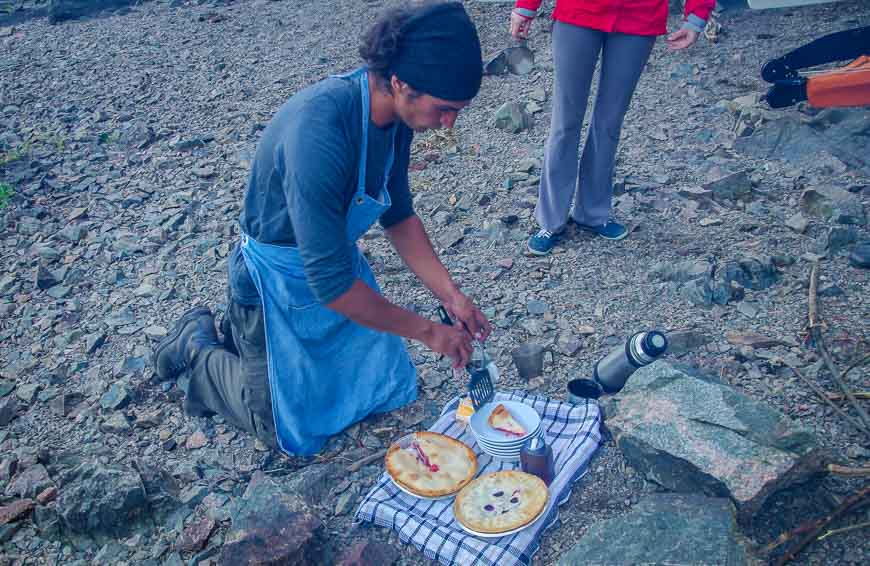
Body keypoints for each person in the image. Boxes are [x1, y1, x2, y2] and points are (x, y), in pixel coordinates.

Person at [152, 2, 492, 456]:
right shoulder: (321, 130)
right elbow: (332, 286)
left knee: (383, 389)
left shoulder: (397, 119)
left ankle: (252, 349)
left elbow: (399, 215)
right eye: (446, 109)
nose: (450, 123)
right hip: (275, 278)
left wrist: (452, 297)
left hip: (332, 264)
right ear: (401, 83)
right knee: (284, 429)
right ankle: (198, 347)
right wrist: (431, 332)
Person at [510, 0, 714, 255]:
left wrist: (696, 16)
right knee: (565, 122)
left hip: (640, 19)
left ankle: (592, 213)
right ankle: (551, 220)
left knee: (609, 123)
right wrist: (525, 7)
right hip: (578, 13)